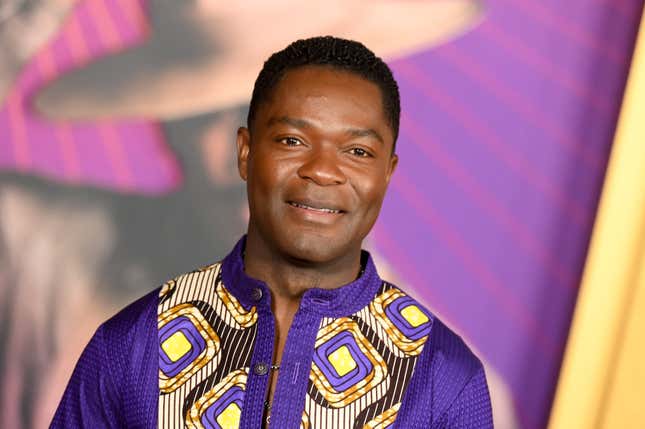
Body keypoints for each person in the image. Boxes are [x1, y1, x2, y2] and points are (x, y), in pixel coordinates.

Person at [51, 36, 493, 428]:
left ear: (387, 174)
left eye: (358, 150)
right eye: (291, 141)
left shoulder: (442, 377)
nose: (321, 170)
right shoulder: (134, 344)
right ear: (245, 152)